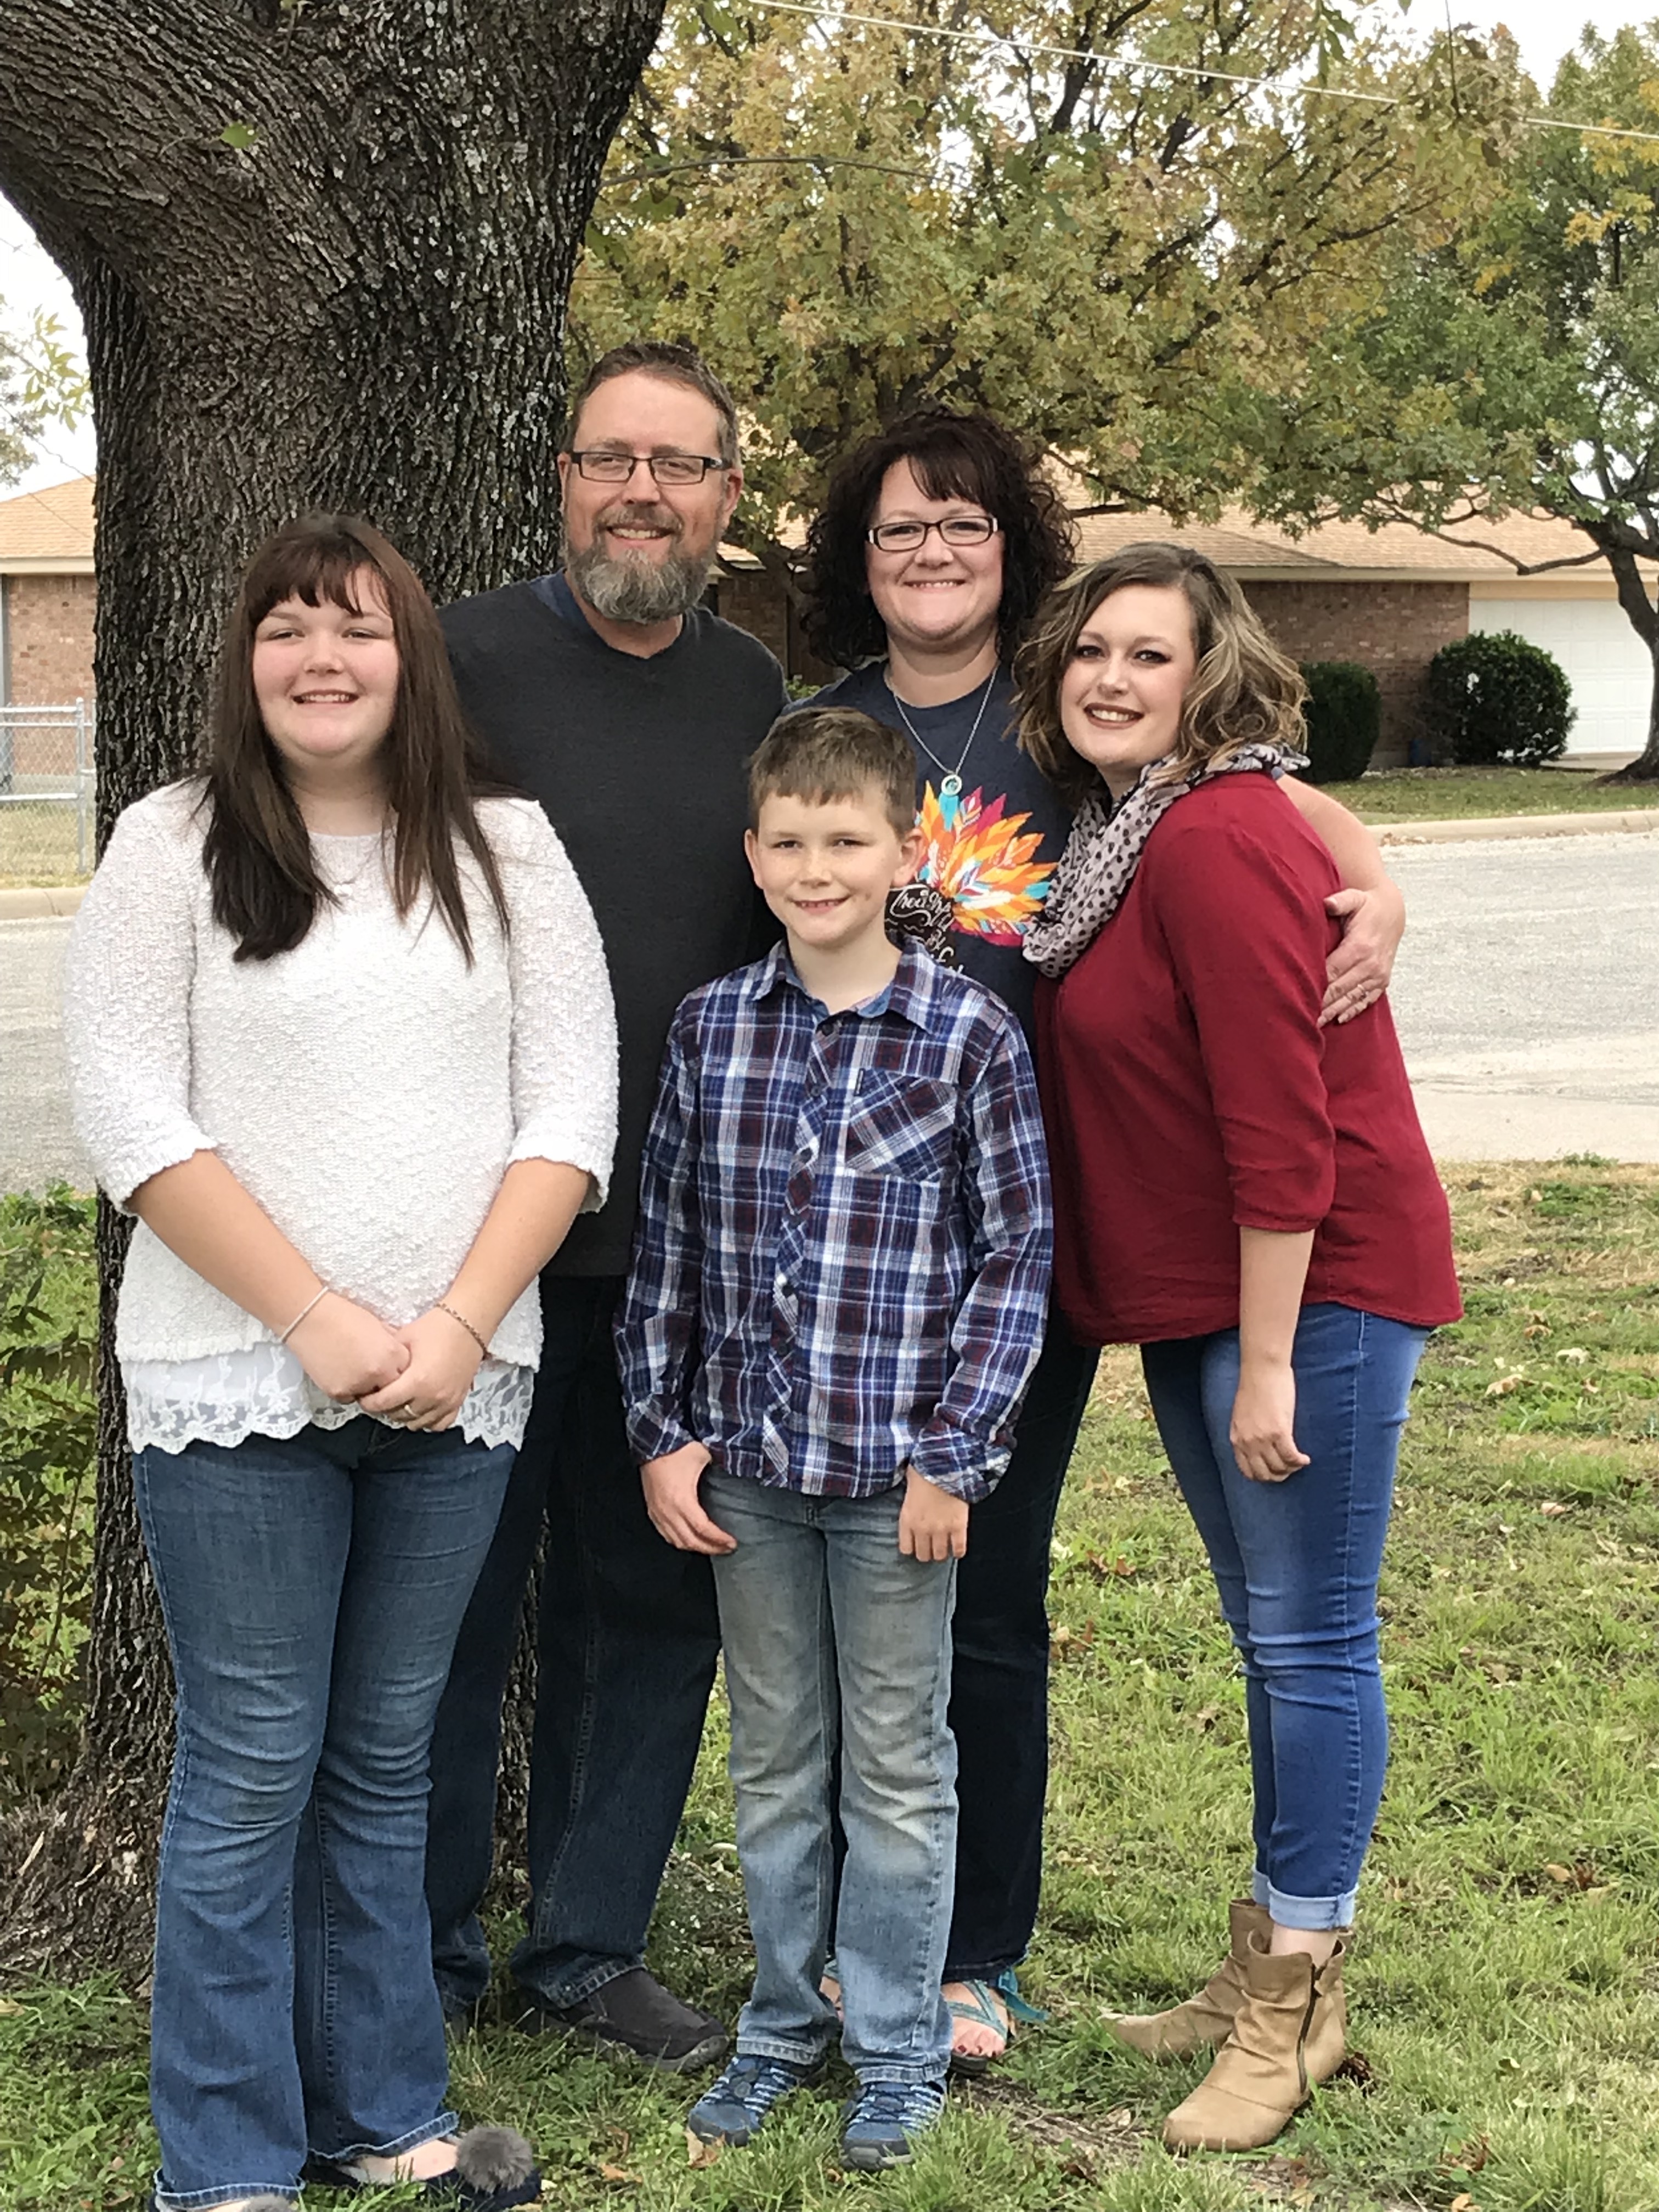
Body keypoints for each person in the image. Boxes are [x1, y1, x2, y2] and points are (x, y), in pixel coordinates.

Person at [799, 409, 1410, 2068]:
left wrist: (1377, 879)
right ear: (860, 554)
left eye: (966, 525)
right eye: (900, 527)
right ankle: (851, 1928)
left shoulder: (1065, 731)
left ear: (1016, 554)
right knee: (844, 1591)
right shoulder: (820, 728)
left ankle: (975, 1949)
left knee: (991, 1589)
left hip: (1034, 1241)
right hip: (861, 1237)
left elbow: (1256, 800)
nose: (933, 552)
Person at [62, 515, 618, 2212]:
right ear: (246, 663)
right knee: (250, 1766)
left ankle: (381, 2115)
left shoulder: (508, 849)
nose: (323, 659)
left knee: (386, 1763)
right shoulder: (171, 845)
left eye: (358, 628)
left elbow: (570, 1112)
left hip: (462, 1385)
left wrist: (456, 1326)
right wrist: (313, 1319)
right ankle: (227, 2158)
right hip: (230, 1384)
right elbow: (130, 1118)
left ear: (410, 657)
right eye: (288, 628)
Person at [1018, 543, 1460, 2152]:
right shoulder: (1135, 829)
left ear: (1212, 678)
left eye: (1152, 654)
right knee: (1273, 1637)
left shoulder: (1209, 837)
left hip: (1310, 1290)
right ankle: (1274, 1960)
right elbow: (1312, 819)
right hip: (1215, 1297)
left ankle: (1292, 2008)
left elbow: (1283, 1127)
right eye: (1093, 651)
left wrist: (1271, 1361)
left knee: (1312, 1638)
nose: (1113, 678)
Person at [615, 707, 1052, 2169]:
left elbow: (1016, 1259)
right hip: (745, 1470)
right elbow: (670, 1243)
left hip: (895, 1479)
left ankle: (896, 2043)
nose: (818, 867)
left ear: (900, 854)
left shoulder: (968, 1034)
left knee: (900, 1768)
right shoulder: (712, 1028)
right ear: (754, 855)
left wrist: (957, 1454)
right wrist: (662, 1432)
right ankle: (780, 2023)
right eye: (791, 842)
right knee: (776, 1760)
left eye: (847, 840)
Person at [425, 342, 792, 2067]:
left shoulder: (753, 692)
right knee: (445, 1612)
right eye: (610, 460)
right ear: (564, 479)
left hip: (680, 1262)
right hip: (472, 1248)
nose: (641, 494)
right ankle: (423, 1950)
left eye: (679, 466)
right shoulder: (458, 662)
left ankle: (584, 1951)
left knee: (651, 1608)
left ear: (726, 497)